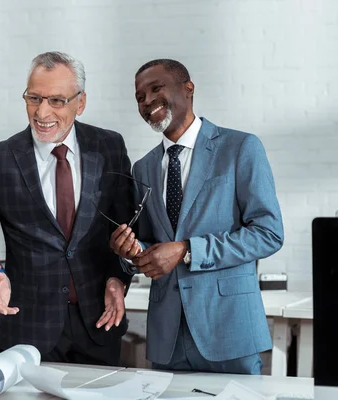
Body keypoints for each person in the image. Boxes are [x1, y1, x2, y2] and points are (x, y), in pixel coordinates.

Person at [0, 51, 135, 366]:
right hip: (28, 329)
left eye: (57, 100)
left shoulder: (109, 147)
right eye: (34, 98)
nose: (42, 112)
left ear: (80, 103)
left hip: (99, 324)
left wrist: (118, 277)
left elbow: (126, 230)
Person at [110, 59, 284, 374]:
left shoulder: (240, 147)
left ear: (188, 89)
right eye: (139, 97)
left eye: (156, 88)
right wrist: (131, 253)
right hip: (168, 336)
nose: (147, 100)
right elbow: (152, 243)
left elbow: (268, 234)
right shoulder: (143, 168)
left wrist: (188, 250)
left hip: (228, 328)